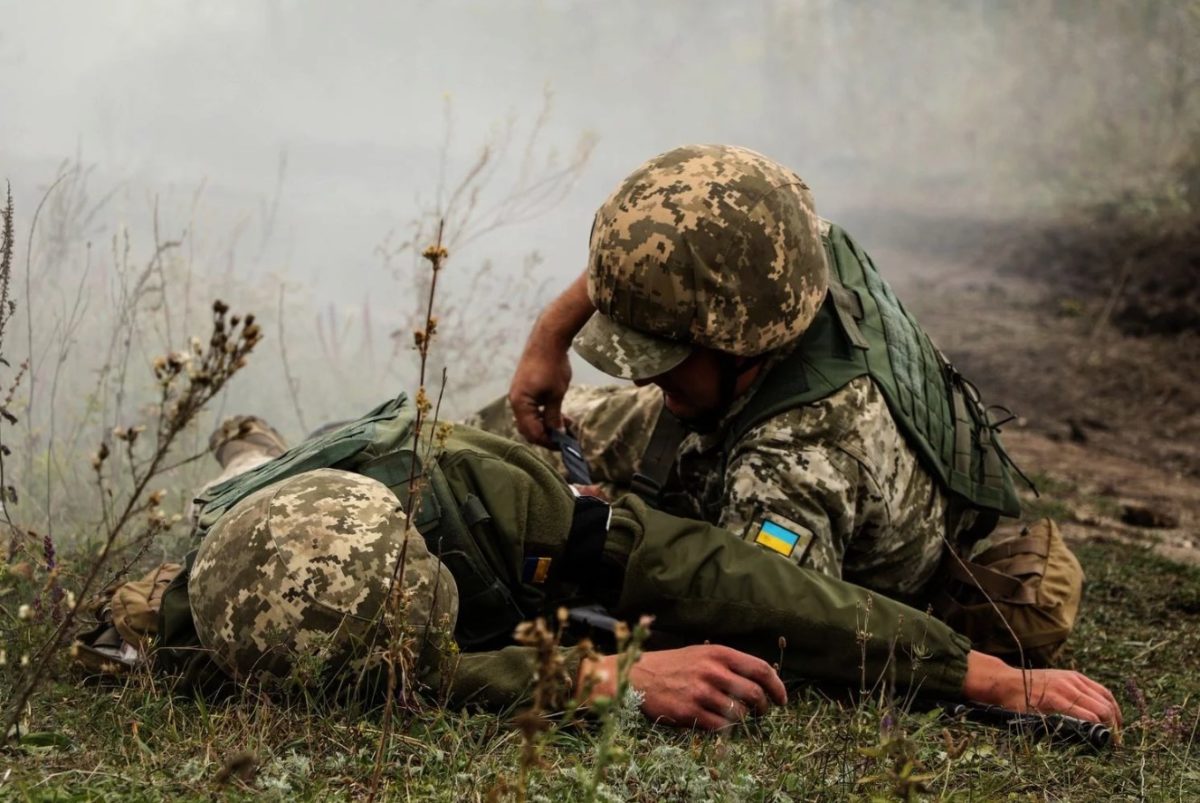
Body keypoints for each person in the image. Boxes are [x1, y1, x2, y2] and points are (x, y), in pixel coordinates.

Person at [144, 400, 1119, 732]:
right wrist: (593, 675)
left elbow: (718, 574)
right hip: (248, 528)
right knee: (234, 488)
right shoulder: (196, 623)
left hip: (430, 477)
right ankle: (249, 449)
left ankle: (257, 442)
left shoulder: (487, 492)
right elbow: (414, 675)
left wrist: (972, 669)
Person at [485, 143, 1081, 664]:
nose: (643, 380)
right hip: (734, 406)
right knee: (500, 443)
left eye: (663, 357)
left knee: (534, 511)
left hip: (805, 506)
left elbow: (758, 627)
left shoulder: (796, 462)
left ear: (739, 338)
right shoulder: (782, 251)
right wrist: (551, 336)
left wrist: (603, 527)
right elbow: (661, 250)